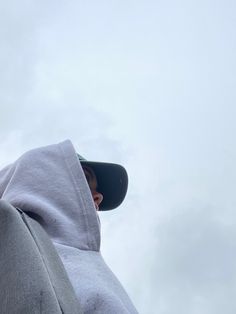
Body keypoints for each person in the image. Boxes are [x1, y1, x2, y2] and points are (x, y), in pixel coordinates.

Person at [0, 139, 138, 313]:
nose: (99, 197)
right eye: (85, 178)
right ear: (44, 178)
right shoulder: (10, 243)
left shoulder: (93, 264)